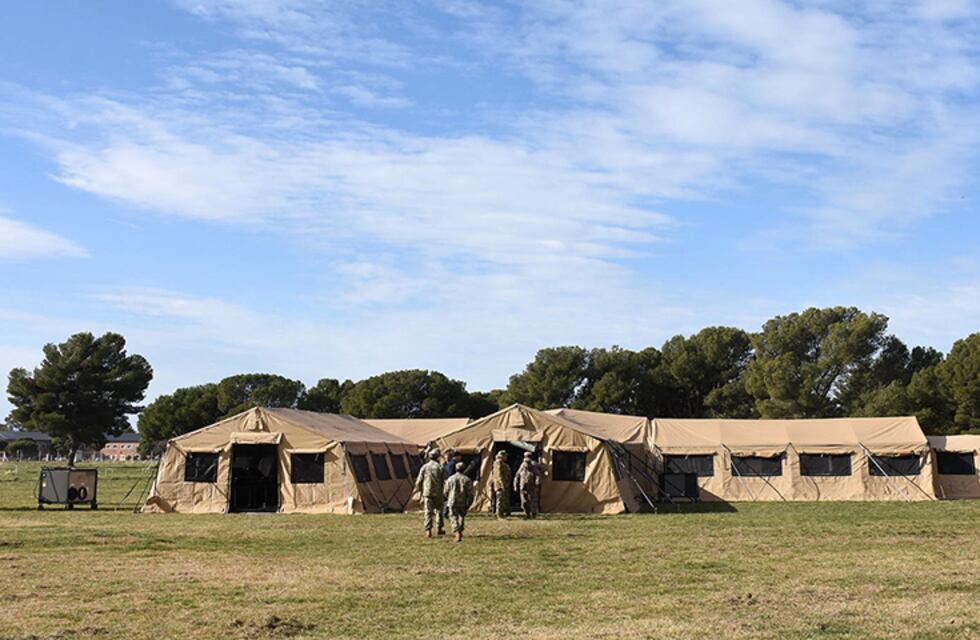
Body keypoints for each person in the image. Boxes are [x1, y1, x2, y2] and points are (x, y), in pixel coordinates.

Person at [414, 449, 447, 537]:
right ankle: (439, 528)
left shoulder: (424, 467)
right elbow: (446, 480)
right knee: (439, 511)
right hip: (438, 492)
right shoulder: (440, 467)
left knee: (428, 511)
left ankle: (428, 530)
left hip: (427, 492)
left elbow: (419, 481)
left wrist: (419, 491)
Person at [444, 461, 474, 542]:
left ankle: (456, 532)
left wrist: (448, 498)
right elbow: (470, 493)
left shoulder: (450, 479)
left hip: (452, 500)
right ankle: (460, 529)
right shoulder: (467, 479)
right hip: (463, 501)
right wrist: (469, 503)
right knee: (461, 517)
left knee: (453, 517)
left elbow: (445, 491)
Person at [514, 451, 540, 519]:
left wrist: (537, 483)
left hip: (532, 486)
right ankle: (527, 514)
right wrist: (515, 485)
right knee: (524, 501)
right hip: (523, 486)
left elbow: (538, 474)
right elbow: (517, 475)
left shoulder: (534, 465)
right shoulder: (522, 465)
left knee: (532, 501)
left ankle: (533, 514)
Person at [491, 450, 512, 519]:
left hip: (504, 484)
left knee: (503, 499)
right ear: (502, 456)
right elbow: (498, 474)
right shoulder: (498, 463)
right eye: (505, 456)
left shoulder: (503, 464)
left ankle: (503, 513)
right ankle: (499, 514)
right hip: (500, 485)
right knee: (500, 500)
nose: (506, 457)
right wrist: (501, 483)